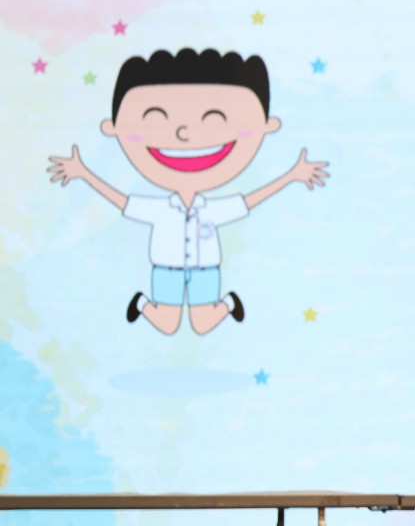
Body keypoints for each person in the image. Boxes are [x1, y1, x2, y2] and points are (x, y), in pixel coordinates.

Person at [46, 48, 330, 335]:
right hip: (165, 270)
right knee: (167, 325)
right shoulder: (158, 209)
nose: (184, 133)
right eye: (156, 118)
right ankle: (141, 303)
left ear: (267, 125)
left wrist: (291, 176)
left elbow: (249, 201)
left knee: (203, 325)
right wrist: (84, 173)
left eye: (215, 118)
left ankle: (229, 303)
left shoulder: (212, 209)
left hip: (205, 271)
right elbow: (121, 202)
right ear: (113, 127)